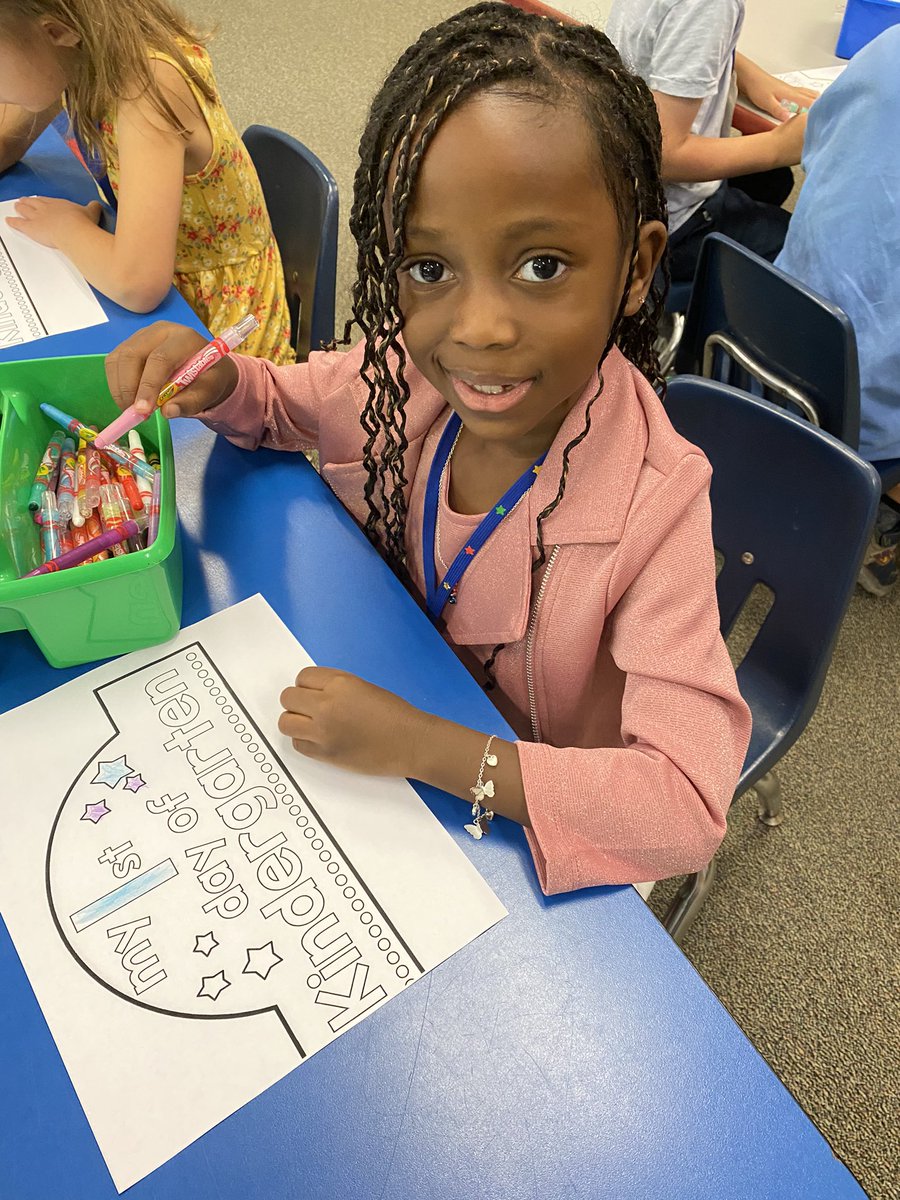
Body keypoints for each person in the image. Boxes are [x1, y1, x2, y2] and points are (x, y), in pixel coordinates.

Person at [104, 3, 751, 896]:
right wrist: (223, 384)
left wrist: (428, 747)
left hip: (529, 832)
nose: (477, 330)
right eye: (430, 269)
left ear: (638, 268)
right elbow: (290, 402)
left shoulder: (657, 500)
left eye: (543, 266)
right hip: (387, 731)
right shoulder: (410, 372)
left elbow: (683, 807)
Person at [0, 0, 293, 364]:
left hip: (218, 327)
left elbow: (137, 283)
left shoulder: (148, 89)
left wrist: (66, 228)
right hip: (162, 280)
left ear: (56, 31)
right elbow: (6, 143)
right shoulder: (73, 52)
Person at [775, 27, 900, 597]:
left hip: (768, 337)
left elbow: (815, 141)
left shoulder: (888, 43)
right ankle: (880, 518)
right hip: (860, 409)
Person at [605, 0, 813, 284]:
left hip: (621, 194)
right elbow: (663, 153)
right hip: (666, 223)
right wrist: (780, 146)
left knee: (774, 181)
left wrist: (746, 72)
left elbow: (673, 33)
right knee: (802, 250)